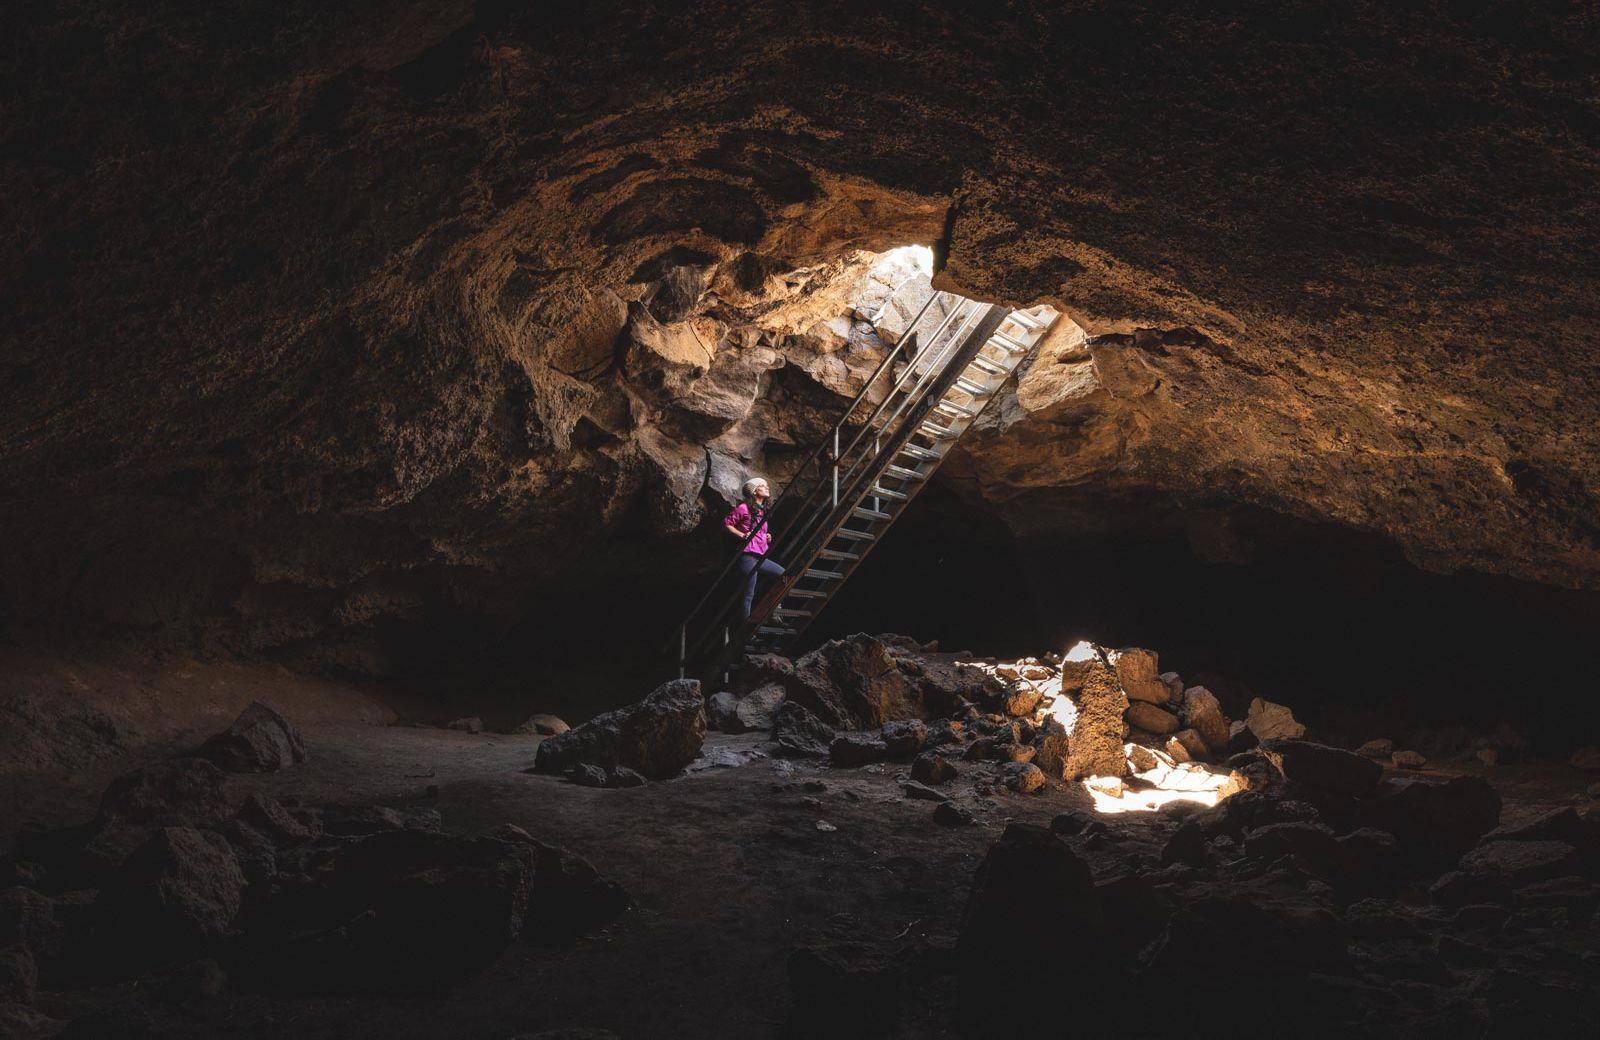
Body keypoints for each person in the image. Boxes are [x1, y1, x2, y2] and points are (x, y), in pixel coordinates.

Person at [724, 477, 783, 620]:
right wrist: (742, 535)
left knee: (783, 575)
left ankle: (774, 610)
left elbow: (759, 531)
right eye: (763, 486)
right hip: (748, 556)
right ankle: (746, 626)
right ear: (755, 491)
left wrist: (766, 536)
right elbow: (727, 523)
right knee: (749, 593)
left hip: (759, 556)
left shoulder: (762, 511)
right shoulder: (744, 508)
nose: (767, 488)